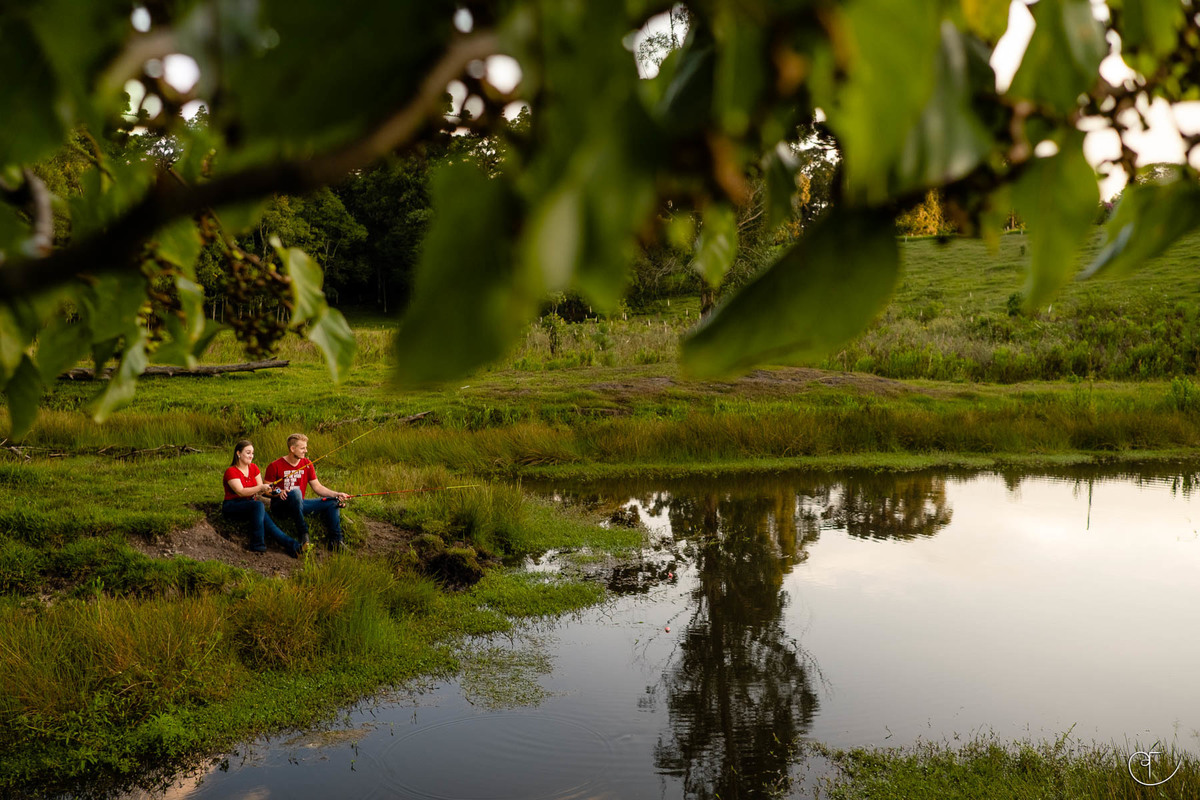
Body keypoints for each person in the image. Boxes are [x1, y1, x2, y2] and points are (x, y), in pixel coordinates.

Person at [265, 433, 350, 550]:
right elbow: (265, 490)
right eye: (302, 448)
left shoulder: (307, 464)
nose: (306, 450)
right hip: (281, 507)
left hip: (300, 504)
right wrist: (279, 492)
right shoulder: (274, 466)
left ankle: (336, 541)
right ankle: (303, 533)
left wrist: (336, 494)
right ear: (292, 449)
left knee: (333, 501)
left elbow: (317, 487)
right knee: (296, 493)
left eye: (306, 447)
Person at [222, 439, 304, 557]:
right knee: (258, 505)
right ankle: (257, 544)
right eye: (248, 453)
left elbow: (262, 490)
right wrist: (260, 487)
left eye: (252, 453)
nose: (251, 456)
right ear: (238, 453)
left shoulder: (254, 468)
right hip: (232, 505)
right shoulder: (231, 471)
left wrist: (278, 491)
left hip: (251, 505)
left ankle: (295, 547)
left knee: (271, 526)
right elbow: (241, 492)